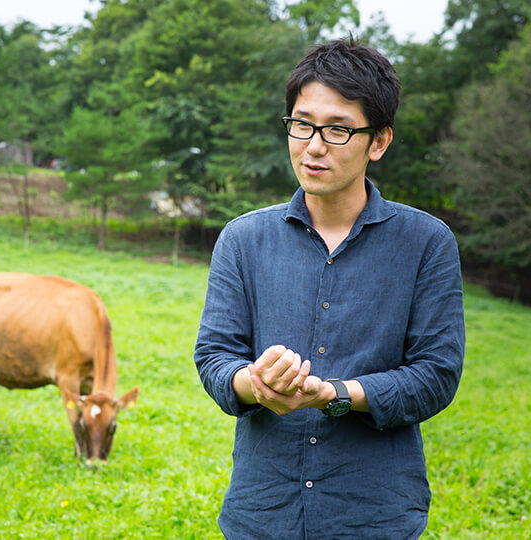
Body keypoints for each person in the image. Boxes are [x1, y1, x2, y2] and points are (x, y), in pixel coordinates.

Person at [193, 37, 465, 539]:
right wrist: (256, 384)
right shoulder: (243, 239)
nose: (314, 145)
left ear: (378, 142)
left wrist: (335, 394)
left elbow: (436, 375)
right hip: (262, 513)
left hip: (374, 515)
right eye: (302, 124)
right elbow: (214, 355)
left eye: (338, 129)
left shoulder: (426, 243)